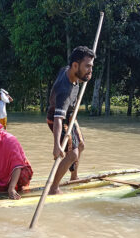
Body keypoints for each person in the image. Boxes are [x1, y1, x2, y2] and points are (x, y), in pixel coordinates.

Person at [47, 46, 94, 195]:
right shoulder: (64, 91)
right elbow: (58, 120)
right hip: (57, 120)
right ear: (75, 65)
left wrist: (84, 75)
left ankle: (74, 176)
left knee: (81, 145)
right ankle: (54, 188)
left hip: (70, 115)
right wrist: (56, 145)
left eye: (91, 66)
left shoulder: (69, 70)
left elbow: (77, 74)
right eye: (87, 66)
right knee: (72, 154)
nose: (90, 70)